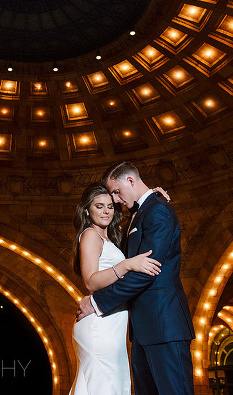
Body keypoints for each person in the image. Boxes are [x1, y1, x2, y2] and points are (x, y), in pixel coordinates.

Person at [77, 161, 195, 395]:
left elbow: (146, 272)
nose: (116, 201)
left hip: (164, 326)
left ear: (131, 181)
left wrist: (97, 302)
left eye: (117, 193)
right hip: (141, 330)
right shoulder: (137, 215)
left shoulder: (157, 210)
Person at [69, 182, 162, 395]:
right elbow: (91, 281)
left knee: (112, 385)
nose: (106, 211)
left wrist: (152, 195)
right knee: (105, 386)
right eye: (99, 206)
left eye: (110, 206)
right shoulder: (90, 234)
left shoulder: (110, 237)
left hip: (113, 323)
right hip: (99, 326)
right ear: (87, 209)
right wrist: (127, 264)